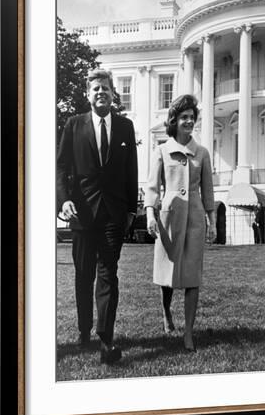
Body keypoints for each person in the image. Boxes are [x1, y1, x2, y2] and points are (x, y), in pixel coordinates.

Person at [57, 69, 138, 364]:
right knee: (83, 275)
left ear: (113, 93)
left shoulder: (126, 127)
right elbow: (61, 166)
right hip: (81, 214)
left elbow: (131, 171)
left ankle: (106, 340)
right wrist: (63, 200)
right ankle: (83, 332)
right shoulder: (73, 125)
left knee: (108, 275)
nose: (100, 92)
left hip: (113, 215)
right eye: (95, 89)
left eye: (105, 88)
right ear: (87, 95)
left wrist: (131, 209)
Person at [145, 95, 215, 352]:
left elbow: (208, 191)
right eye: (183, 117)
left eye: (191, 117)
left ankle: (188, 332)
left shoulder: (203, 153)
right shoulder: (162, 150)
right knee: (167, 275)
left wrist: (212, 220)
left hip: (195, 218)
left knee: (192, 276)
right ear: (174, 121)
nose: (188, 121)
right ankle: (166, 313)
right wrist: (150, 215)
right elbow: (152, 187)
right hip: (169, 218)